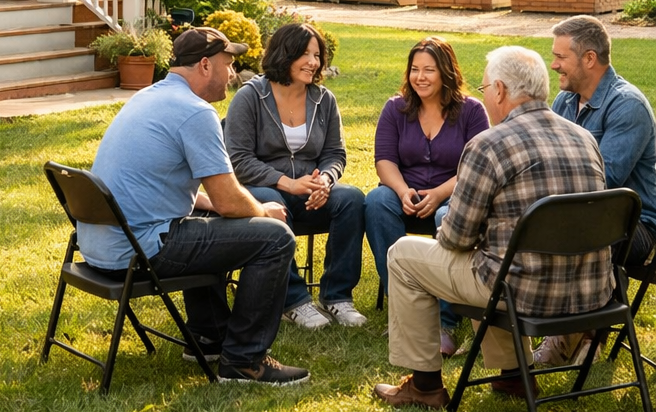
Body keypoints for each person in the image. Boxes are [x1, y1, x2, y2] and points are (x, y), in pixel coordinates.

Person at [373, 46, 610, 410]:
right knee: (499, 260)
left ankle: (424, 387)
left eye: (485, 90)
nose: (485, 99)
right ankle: (514, 374)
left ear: (499, 90)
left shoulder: (488, 144)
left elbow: (455, 237)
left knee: (404, 254)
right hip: (589, 292)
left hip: (523, 294)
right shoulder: (584, 139)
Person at [77, 25, 310, 386]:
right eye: (228, 64)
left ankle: (208, 336)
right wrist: (264, 213)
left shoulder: (147, 96)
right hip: (137, 252)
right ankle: (244, 360)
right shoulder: (195, 112)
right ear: (204, 65)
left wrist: (215, 208)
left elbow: (176, 192)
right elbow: (230, 200)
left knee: (207, 219)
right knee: (275, 238)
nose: (232, 74)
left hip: (100, 245)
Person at [224, 22, 366, 330]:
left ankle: (337, 296)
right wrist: (287, 182)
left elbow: (335, 153)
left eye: (317, 55)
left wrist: (325, 181)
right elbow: (238, 159)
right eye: (304, 54)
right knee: (271, 202)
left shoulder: (323, 99)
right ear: (284, 54)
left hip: (311, 190)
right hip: (264, 187)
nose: (313, 62)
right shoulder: (250, 97)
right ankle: (295, 302)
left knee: (352, 199)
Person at [535, 14, 656, 366]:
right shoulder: (565, 103)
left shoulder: (627, 106)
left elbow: (604, 181)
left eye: (561, 57)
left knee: (569, 234)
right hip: (580, 213)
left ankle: (579, 332)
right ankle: (579, 330)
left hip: (637, 228)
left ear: (589, 58)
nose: (553, 64)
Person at [365, 37, 489, 357]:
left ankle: (444, 320)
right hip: (406, 194)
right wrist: (403, 190)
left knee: (443, 215)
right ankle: (406, 310)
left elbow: (476, 167)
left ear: (446, 72)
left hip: (453, 196)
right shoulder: (396, 108)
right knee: (377, 203)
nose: (420, 77)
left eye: (429, 70)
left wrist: (438, 194)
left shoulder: (471, 111)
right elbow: (385, 161)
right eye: (414, 70)